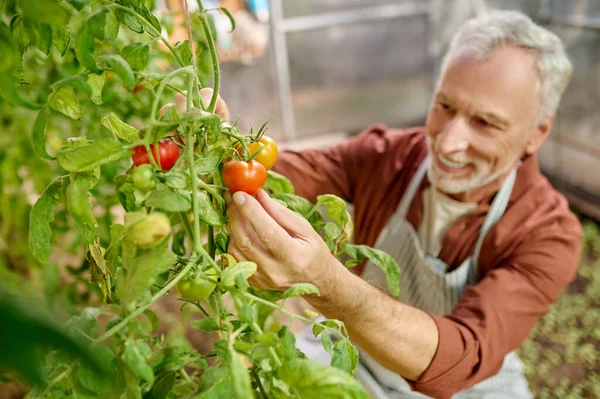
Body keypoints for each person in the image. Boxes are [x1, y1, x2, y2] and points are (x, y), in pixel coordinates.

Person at [223, 10, 582, 399]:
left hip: (471, 390)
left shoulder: (547, 233)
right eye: (445, 106)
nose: (447, 143)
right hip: (358, 360)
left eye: (485, 123)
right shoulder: (389, 156)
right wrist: (218, 144)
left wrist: (329, 283)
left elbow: (461, 353)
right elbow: (288, 172)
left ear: (537, 133)